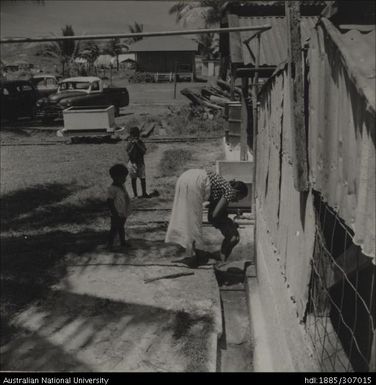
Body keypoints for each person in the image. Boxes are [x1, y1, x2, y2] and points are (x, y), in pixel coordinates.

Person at [165, 169, 248, 267]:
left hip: (186, 177)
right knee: (192, 221)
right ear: (237, 192)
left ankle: (191, 254)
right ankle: (191, 257)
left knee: (187, 218)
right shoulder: (230, 191)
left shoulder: (223, 187)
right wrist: (229, 222)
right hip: (195, 182)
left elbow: (212, 214)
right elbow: (215, 215)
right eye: (239, 198)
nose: (237, 201)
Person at [107, 164, 131, 249]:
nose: (125, 179)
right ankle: (110, 244)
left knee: (121, 227)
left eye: (125, 177)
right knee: (114, 228)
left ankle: (123, 242)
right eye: (123, 177)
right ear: (115, 177)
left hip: (122, 211)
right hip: (116, 212)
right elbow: (109, 201)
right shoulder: (112, 188)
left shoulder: (121, 186)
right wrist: (114, 212)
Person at [126, 126, 150, 199]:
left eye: (137, 135)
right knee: (133, 179)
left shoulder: (140, 142)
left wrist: (137, 144)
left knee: (143, 178)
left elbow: (144, 151)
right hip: (132, 163)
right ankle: (135, 195)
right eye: (134, 135)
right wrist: (133, 144)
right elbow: (129, 153)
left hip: (140, 162)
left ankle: (144, 193)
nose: (136, 136)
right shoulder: (129, 143)